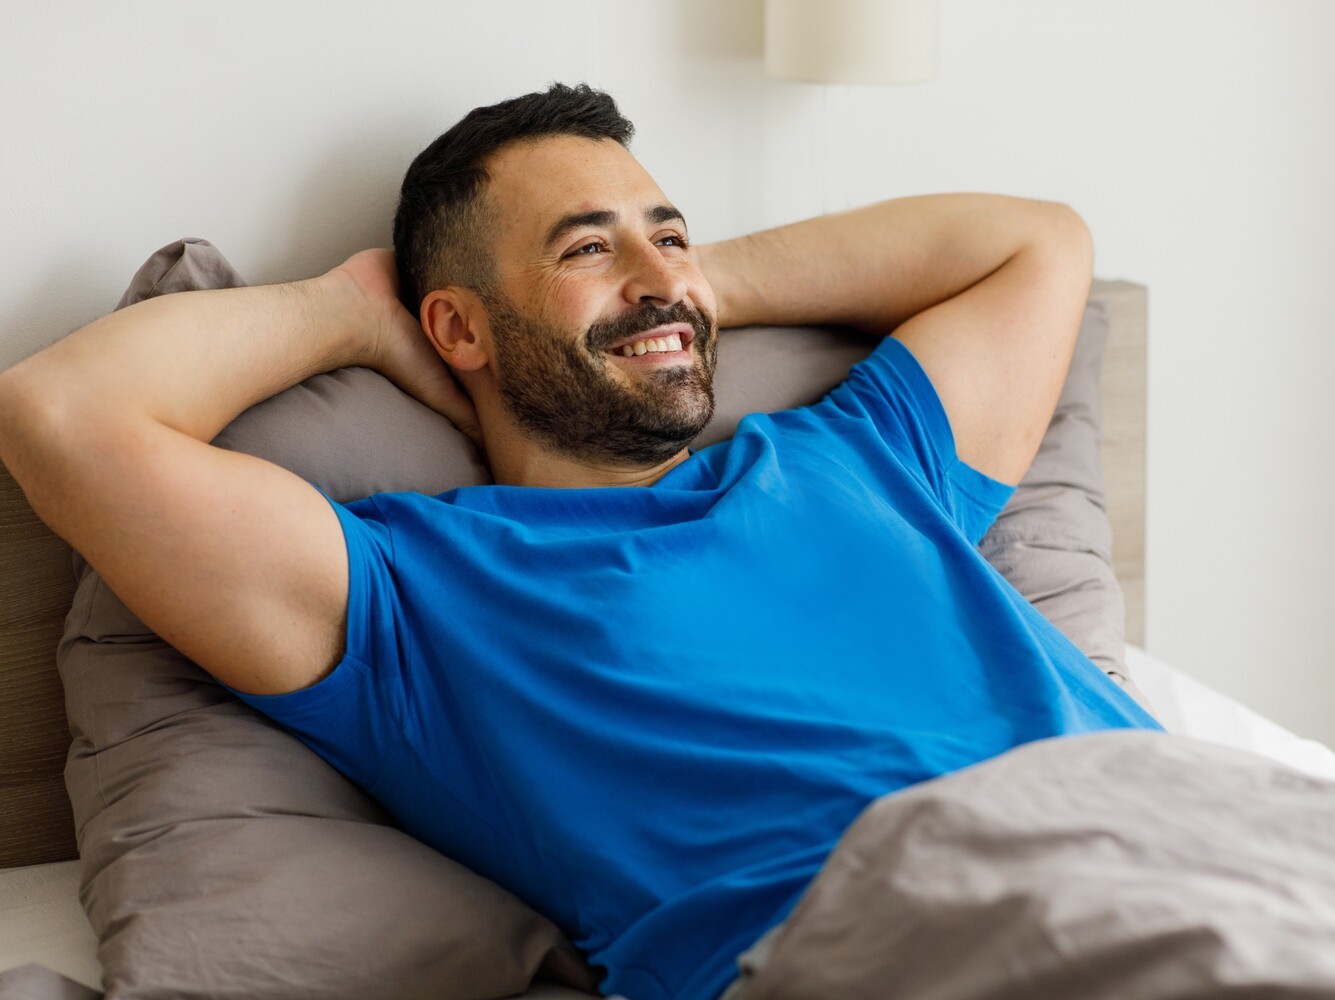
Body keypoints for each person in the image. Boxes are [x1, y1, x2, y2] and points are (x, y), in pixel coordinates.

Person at [0, 84, 1162, 999]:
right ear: (456, 324)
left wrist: (691, 287)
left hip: (1179, 845)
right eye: (586, 250)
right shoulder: (417, 593)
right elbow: (59, 415)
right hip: (905, 942)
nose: (658, 275)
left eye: (671, 233)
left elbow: (1037, 244)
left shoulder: (860, 453)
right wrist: (351, 310)